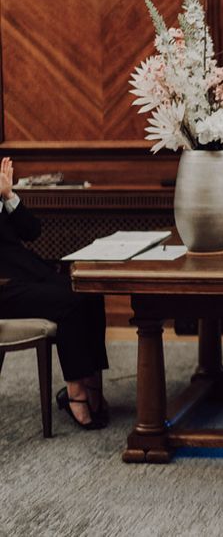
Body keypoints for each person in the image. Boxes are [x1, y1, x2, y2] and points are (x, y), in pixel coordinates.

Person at [0, 157, 109, 430]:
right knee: (69, 303)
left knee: (91, 289)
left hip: (29, 275)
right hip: (5, 288)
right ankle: (76, 394)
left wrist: (9, 196)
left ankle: (93, 383)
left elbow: (32, 231)